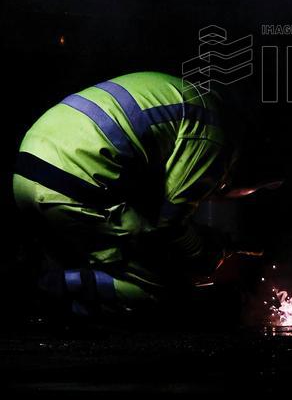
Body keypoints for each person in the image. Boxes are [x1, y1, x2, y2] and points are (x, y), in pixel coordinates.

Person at [12, 71, 244, 318]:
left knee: (114, 251)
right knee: (166, 288)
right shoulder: (215, 135)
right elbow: (167, 225)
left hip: (26, 169)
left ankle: (70, 303)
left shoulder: (190, 98)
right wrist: (202, 253)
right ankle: (48, 285)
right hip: (72, 182)